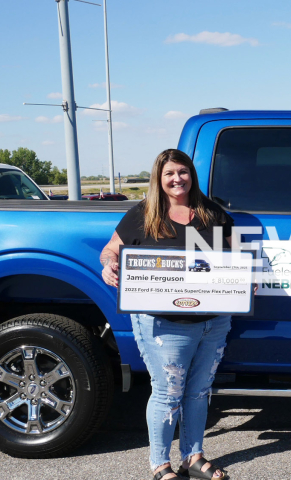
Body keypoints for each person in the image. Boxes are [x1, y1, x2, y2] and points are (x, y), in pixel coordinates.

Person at [100, 149, 234, 480]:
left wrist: (247, 279)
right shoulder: (143, 215)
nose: (177, 179)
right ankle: (160, 466)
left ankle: (193, 457)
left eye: (183, 172)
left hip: (213, 322)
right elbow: (110, 249)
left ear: (192, 175)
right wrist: (109, 265)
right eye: (169, 173)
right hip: (162, 324)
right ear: (158, 178)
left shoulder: (211, 213)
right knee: (168, 393)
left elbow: (235, 254)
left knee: (199, 391)